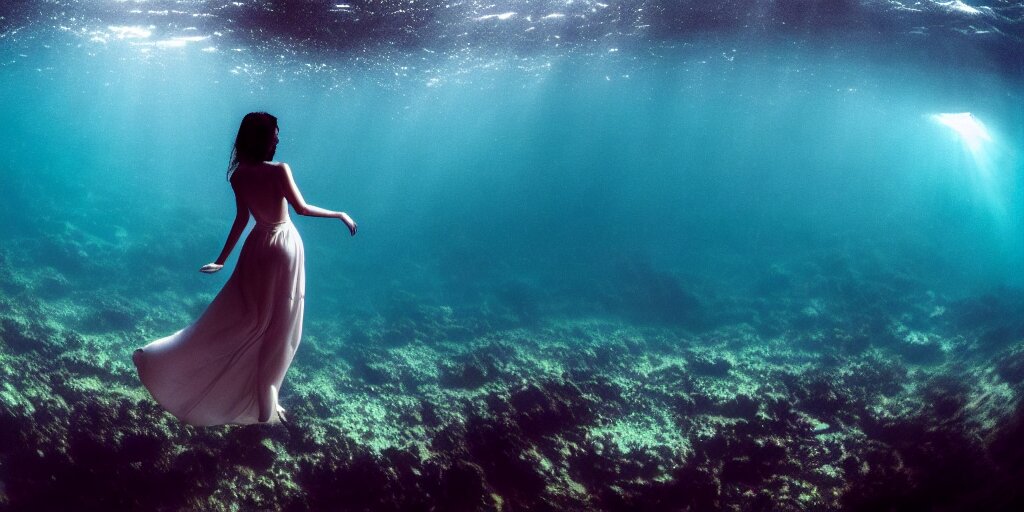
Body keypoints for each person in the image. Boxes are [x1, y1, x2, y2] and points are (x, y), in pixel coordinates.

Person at [132, 112, 357, 426]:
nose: (279, 138)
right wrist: (339, 214)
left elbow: (242, 220)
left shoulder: (238, 175)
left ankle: (177, 366)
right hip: (284, 247)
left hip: (257, 247)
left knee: (248, 320)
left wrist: (222, 258)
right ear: (264, 138)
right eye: (276, 133)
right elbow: (302, 209)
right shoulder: (280, 170)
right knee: (281, 324)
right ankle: (267, 394)